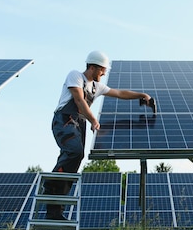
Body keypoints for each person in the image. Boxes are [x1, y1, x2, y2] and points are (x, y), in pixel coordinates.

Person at [44, 50, 152, 220]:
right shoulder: (76, 76)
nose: (104, 72)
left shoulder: (97, 86)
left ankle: (54, 210)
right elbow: (79, 100)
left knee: (73, 162)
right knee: (74, 152)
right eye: (102, 69)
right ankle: (50, 182)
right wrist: (94, 120)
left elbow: (119, 93)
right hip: (65, 119)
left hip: (79, 123)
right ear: (93, 67)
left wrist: (141, 95)